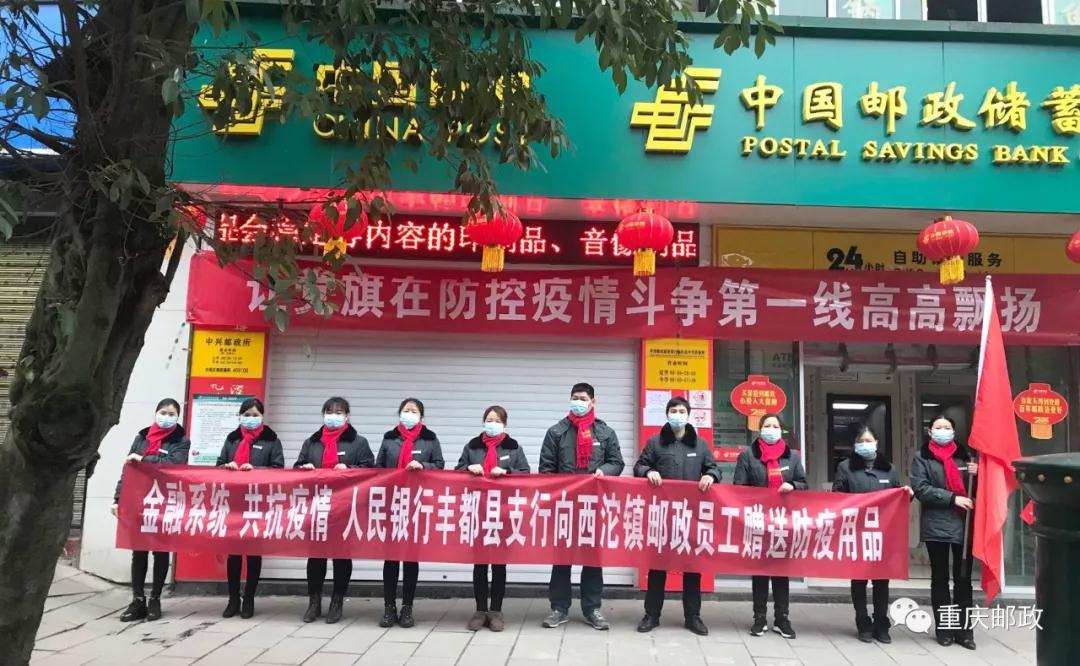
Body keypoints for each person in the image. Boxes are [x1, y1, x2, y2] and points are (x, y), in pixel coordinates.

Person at [539, 382, 624, 631]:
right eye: (575, 398)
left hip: (594, 506)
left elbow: (617, 462)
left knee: (593, 559)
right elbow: (546, 469)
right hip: (564, 506)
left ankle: (592, 609)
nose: (578, 402)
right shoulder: (557, 432)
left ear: (593, 402)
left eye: (583, 398)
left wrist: (604, 470)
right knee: (561, 560)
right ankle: (559, 608)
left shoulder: (604, 433)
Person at [633, 397, 721, 636]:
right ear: (667, 414)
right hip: (662, 515)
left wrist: (711, 476)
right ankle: (651, 615)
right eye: (674, 410)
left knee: (692, 568)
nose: (677, 414)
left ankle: (693, 617)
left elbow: (714, 468)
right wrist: (648, 471)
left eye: (682, 411)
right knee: (657, 567)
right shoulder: (655, 442)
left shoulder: (700, 445)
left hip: (691, 516)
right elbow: (639, 466)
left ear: (688, 415)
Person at [295, 397, 374, 624]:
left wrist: (349, 468)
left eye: (339, 412)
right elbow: (297, 467)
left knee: (341, 557)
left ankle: (337, 601)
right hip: (317, 507)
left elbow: (371, 469)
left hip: (345, 507)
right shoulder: (312, 442)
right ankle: (314, 602)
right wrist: (304, 468)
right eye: (329, 412)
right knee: (316, 557)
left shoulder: (358, 443)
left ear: (347, 416)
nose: (333, 416)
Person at [832, 425, 913, 644]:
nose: (865, 445)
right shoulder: (845, 467)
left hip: (882, 533)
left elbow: (897, 498)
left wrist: (907, 494)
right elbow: (837, 497)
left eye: (869, 441)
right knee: (859, 578)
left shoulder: (889, 469)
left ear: (876, 443)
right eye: (861, 441)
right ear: (855, 444)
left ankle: (881, 622)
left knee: (881, 579)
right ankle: (862, 620)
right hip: (857, 532)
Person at [112, 398, 190, 622]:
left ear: (177, 417)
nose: (166, 417)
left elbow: (173, 465)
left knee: (161, 550)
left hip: (164, 500)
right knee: (139, 550)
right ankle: (138, 600)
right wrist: (118, 499)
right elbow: (128, 469)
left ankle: (155, 599)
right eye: (163, 412)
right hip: (138, 500)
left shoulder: (181, 441)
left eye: (171, 414)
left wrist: (144, 459)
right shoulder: (142, 437)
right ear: (156, 413)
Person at [456, 405, 530, 632]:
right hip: (478, 511)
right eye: (489, 419)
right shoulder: (472, 446)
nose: (492, 424)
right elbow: (457, 472)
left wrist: (507, 473)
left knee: (499, 564)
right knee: (479, 564)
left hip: (503, 513)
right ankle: (480, 610)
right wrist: (468, 468)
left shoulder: (513, 447)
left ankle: (496, 611)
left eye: (497, 420)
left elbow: (526, 474)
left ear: (504, 424)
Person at [733, 412, 807, 639]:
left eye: (775, 426)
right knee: (760, 572)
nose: (771, 430)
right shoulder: (748, 456)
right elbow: (739, 487)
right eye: (767, 426)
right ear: (760, 429)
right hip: (758, 521)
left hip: (784, 522)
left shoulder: (792, 457)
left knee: (781, 572)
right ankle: (759, 618)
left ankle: (782, 618)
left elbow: (804, 484)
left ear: (781, 430)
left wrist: (792, 485)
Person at [910, 415, 978, 650]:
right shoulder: (922, 457)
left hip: (964, 524)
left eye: (947, 427)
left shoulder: (966, 456)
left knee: (963, 579)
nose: (943, 430)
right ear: (930, 431)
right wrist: (952, 498)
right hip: (936, 525)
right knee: (940, 578)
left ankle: (965, 632)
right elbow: (921, 488)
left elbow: (978, 490)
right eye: (938, 427)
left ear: (954, 431)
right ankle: (945, 629)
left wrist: (979, 474)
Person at [376, 398, 445, 628]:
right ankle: (389, 607)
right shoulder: (389, 438)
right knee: (391, 558)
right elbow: (378, 468)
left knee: (410, 559)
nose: (409, 414)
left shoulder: (430, 439)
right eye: (406, 410)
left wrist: (423, 466)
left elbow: (439, 465)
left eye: (413, 411)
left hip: (417, 504)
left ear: (421, 417)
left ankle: (407, 607)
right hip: (392, 504)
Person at [216, 398, 284, 619]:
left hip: (257, 503)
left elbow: (278, 469)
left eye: (255, 415)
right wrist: (226, 466)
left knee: (254, 553)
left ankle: (249, 598)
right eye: (247, 415)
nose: (251, 419)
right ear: (240, 416)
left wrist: (255, 470)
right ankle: (233, 598)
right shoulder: (232, 438)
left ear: (262, 417)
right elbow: (218, 465)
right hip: (234, 503)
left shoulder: (271, 440)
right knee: (234, 553)